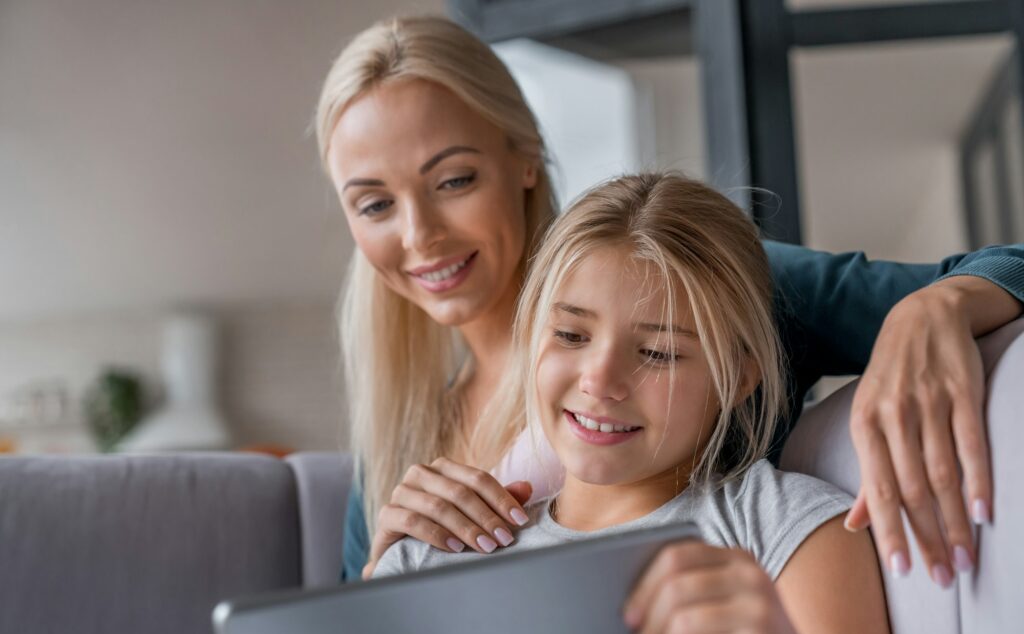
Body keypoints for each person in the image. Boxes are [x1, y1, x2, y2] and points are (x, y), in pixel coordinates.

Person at [315, 16, 1024, 585]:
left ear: (524, 155)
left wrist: (938, 305)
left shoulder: (699, 285)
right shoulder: (398, 433)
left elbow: (1005, 267)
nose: (420, 235)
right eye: (374, 202)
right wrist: (388, 566)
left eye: (453, 180)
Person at [373, 172, 901, 634]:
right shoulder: (427, 558)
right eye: (570, 335)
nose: (599, 381)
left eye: (658, 352)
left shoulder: (785, 530)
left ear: (739, 378)